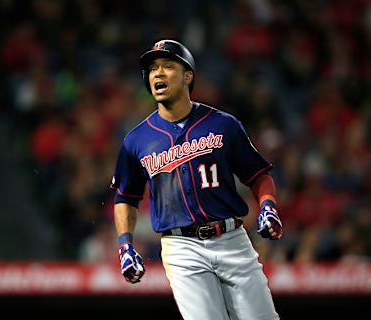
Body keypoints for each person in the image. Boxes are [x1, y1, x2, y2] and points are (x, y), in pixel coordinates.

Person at [110, 39, 282, 320]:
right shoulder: (136, 140)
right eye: (152, 69)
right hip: (181, 248)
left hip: (232, 240)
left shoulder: (223, 124)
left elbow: (258, 175)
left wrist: (268, 207)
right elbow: (125, 198)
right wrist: (125, 246)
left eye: (167, 66)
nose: (158, 74)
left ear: (188, 75)